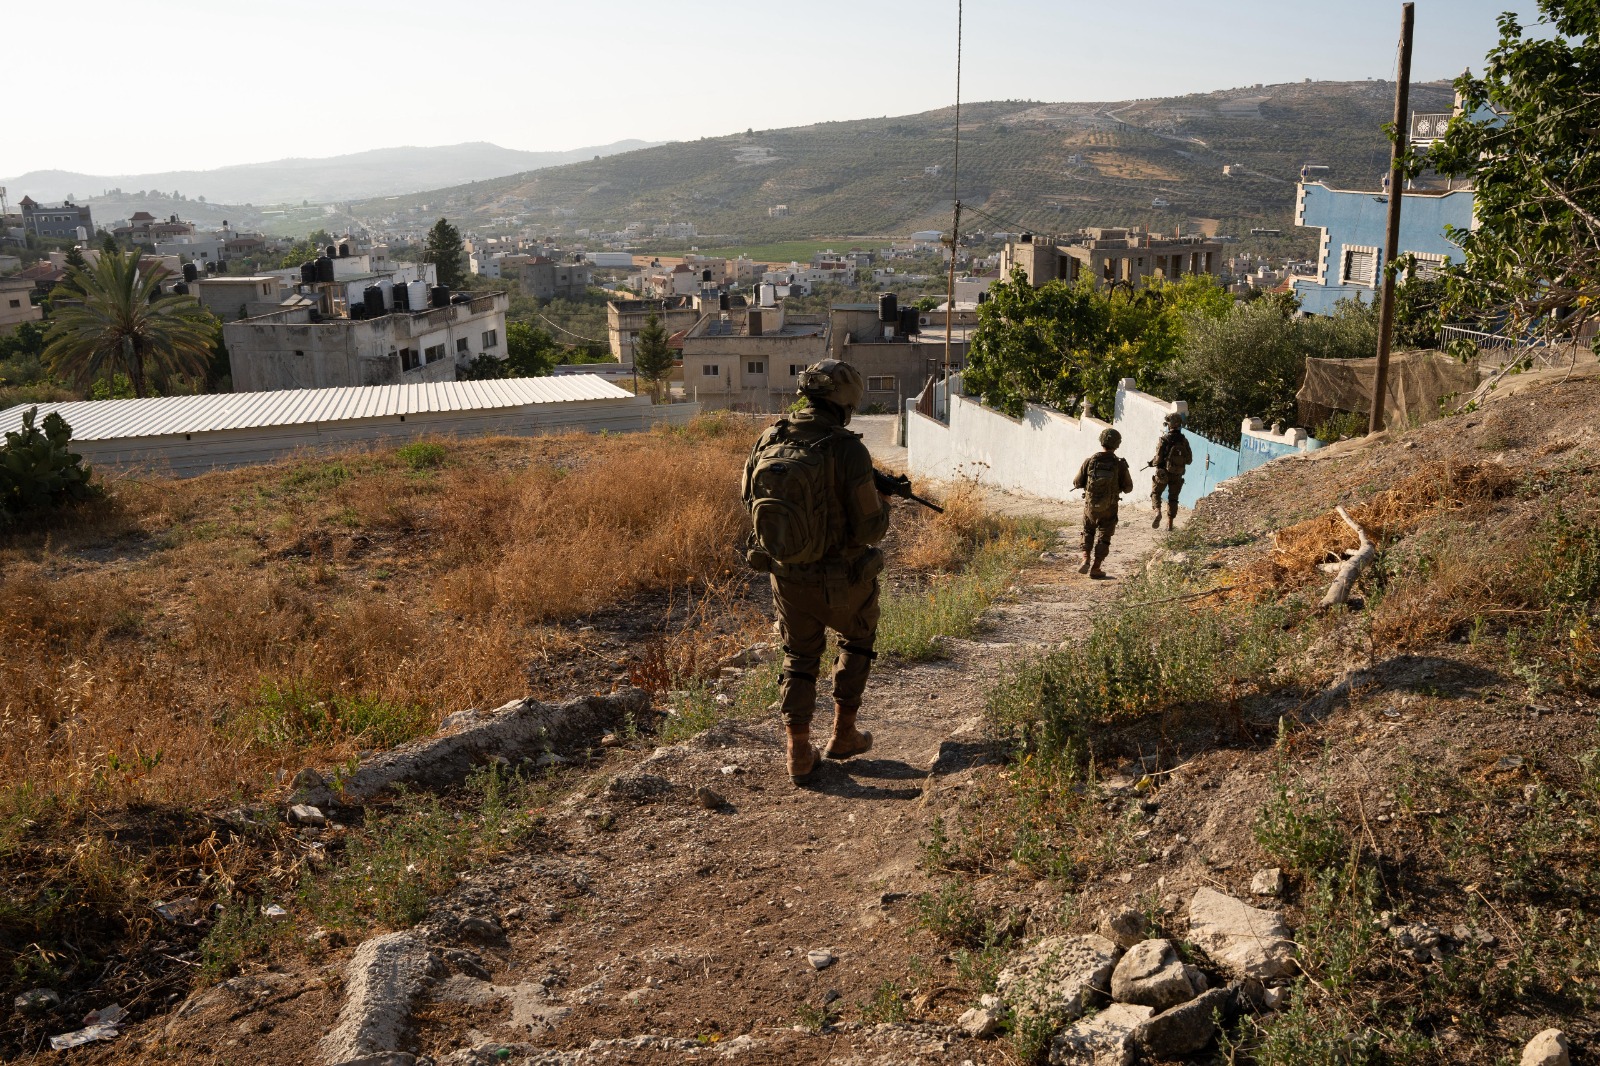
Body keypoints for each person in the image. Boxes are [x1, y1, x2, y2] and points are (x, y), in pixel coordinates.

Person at [741, 359, 889, 785]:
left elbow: (749, 499)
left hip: (787, 575)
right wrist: (885, 503)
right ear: (846, 401)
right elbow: (869, 529)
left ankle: (798, 753)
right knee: (858, 639)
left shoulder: (771, 437)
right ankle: (843, 734)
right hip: (841, 579)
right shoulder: (848, 448)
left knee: (799, 656)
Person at [1072, 427, 1133, 579]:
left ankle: (1085, 558)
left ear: (1101, 441)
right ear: (1117, 444)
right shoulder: (1119, 464)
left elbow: (1077, 482)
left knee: (1088, 531)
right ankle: (1096, 567)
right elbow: (1128, 488)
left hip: (1091, 506)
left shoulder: (1090, 461)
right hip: (1110, 507)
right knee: (1104, 536)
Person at [1149, 411, 1193, 531]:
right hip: (1177, 474)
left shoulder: (1164, 439)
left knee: (1156, 493)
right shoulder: (1184, 441)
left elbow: (1158, 459)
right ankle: (1170, 524)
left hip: (1163, 473)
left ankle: (1157, 512)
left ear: (1169, 424)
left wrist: (1152, 463)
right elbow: (1189, 460)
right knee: (1173, 498)